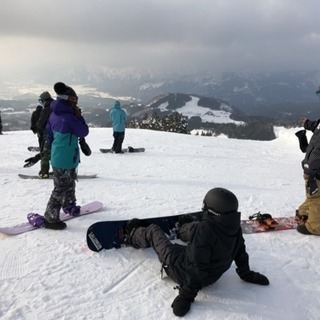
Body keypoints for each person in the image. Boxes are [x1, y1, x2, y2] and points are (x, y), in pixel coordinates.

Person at [125, 187, 269, 317]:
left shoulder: (204, 231)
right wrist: (246, 274)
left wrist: (186, 297)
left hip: (179, 269)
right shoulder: (234, 228)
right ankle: (183, 228)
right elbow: (240, 252)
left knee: (153, 231)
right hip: (212, 275)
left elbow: (197, 267)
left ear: (212, 211)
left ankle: (132, 234)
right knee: (196, 228)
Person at [43, 82, 89, 230]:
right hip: (66, 157)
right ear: (68, 99)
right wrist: (79, 116)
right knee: (61, 187)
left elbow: (49, 135)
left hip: (61, 157)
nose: (76, 103)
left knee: (69, 183)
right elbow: (83, 131)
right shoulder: (69, 117)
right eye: (74, 100)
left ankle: (69, 205)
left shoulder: (54, 114)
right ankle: (50, 218)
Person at [296, 87, 320, 235]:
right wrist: (307, 123)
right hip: (312, 168)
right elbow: (315, 125)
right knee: (312, 195)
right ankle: (305, 212)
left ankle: (315, 227)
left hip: (317, 170)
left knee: (316, 197)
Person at [37, 91, 54, 178]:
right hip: (60, 135)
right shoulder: (56, 107)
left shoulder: (46, 110)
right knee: (56, 153)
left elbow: (40, 124)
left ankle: (44, 172)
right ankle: (58, 171)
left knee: (45, 154)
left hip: (48, 135)